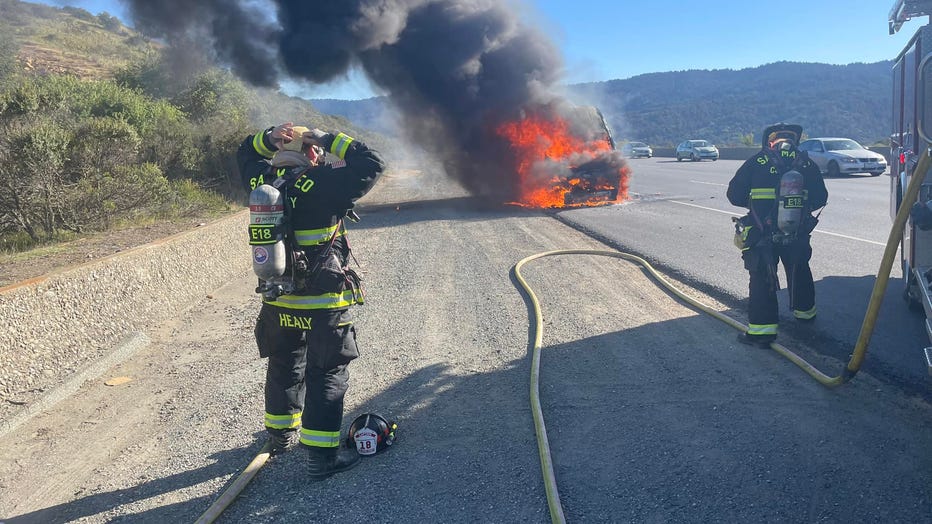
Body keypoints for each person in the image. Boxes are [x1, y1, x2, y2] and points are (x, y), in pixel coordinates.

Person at [237, 122, 385, 479]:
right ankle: (321, 458)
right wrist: (331, 138)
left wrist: (267, 136)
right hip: (322, 303)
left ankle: (280, 435)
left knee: (284, 363)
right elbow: (371, 163)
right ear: (312, 153)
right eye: (317, 149)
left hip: (278, 300)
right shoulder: (323, 183)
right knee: (327, 371)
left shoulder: (263, 183)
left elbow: (245, 153)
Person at [726, 123, 828, 348]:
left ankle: (762, 332)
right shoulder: (806, 163)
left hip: (763, 233)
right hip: (796, 232)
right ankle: (806, 314)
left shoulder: (757, 161)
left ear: (768, 141)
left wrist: (758, 206)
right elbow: (821, 197)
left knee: (762, 278)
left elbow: (734, 195)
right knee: (800, 270)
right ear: (794, 141)